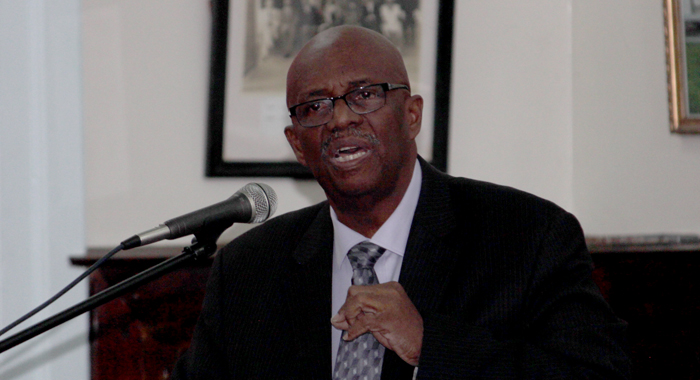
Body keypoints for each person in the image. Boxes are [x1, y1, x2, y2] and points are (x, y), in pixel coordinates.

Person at [171, 25, 630, 379]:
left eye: (365, 95)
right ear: (296, 144)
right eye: (316, 107)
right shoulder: (250, 268)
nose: (341, 119)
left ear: (411, 115)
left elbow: (597, 375)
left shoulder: (526, 237)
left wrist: (429, 345)